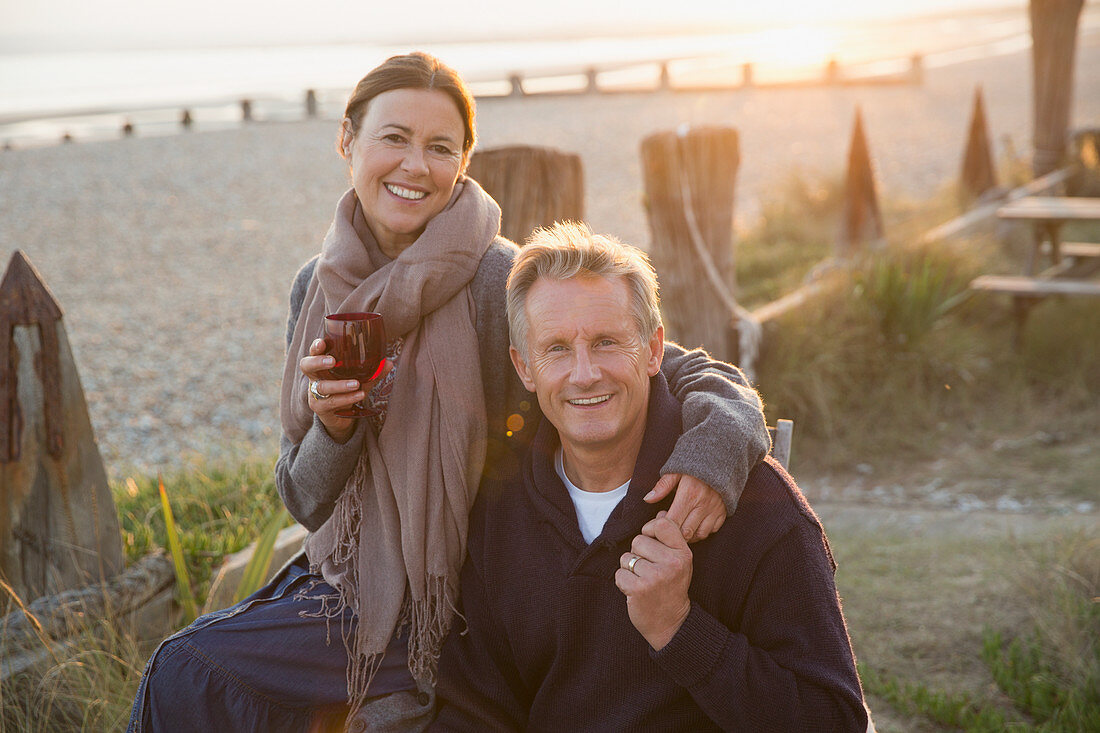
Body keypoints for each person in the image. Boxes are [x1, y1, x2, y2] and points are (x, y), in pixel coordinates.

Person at [128, 53, 769, 732]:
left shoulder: (499, 277)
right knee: (186, 670)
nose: (414, 166)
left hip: (476, 594)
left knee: (189, 670)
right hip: (353, 580)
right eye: (394, 138)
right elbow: (302, 497)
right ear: (347, 139)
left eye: (440, 147)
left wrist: (717, 450)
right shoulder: (316, 287)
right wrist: (335, 430)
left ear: (465, 159)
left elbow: (675, 366)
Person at [433, 222, 869, 731]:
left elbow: (835, 721)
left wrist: (679, 629)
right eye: (555, 349)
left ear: (655, 350)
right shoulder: (501, 508)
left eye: (606, 343)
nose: (584, 373)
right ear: (524, 368)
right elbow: (475, 711)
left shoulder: (758, 507)